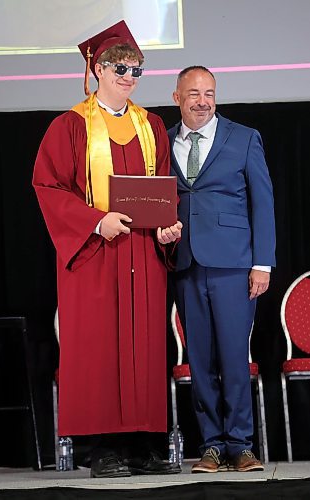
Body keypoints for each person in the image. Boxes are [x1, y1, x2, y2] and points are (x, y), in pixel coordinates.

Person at [33, 20, 182, 478]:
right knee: (99, 350)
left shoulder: (152, 125)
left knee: (144, 347)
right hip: (97, 254)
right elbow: (49, 186)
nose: (129, 77)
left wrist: (164, 229)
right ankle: (103, 451)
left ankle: (143, 446)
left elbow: (159, 190)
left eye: (137, 70)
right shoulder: (70, 126)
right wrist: (97, 220)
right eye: (120, 68)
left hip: (142, 254)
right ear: (98, 69)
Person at [168, 66, 276, 473]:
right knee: (199, 359)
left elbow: (262, 204)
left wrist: (262, 263)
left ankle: (241, 444)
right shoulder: (162, 142)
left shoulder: (244, 138)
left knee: (233, 356)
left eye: (209, 93)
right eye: (193, 93)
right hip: (186, 263)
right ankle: (211, 445)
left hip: (234, 264)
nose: (203, 100)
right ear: (177, 97)